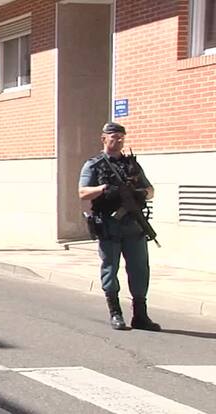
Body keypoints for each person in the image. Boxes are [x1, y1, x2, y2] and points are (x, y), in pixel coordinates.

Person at [78, 122, 160, 331]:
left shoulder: (132, 165)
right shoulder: (94, 164)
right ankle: (115, 313)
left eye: (121, 137)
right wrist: (104, 188)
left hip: (134, 226)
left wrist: (140, 193)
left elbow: (150, 191)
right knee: (110, 268)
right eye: (114, 136)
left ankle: (140, 315)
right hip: (109, 225)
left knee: (139, 269)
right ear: (104, 138)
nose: (118, 140)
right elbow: (82, 193)